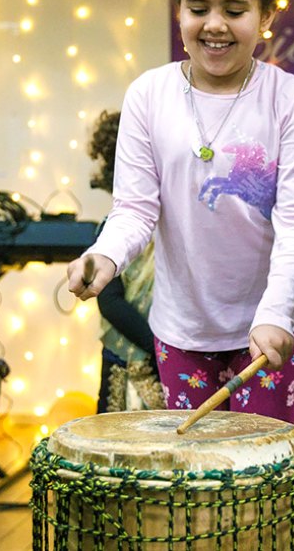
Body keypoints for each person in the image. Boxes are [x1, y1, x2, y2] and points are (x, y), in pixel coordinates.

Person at [67, 0, 294, 423]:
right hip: (182, 331)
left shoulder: (289, 98)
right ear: (178, 9)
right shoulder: (148, 94)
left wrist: (274, 315)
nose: (214, 24)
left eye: (235, 9)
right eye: (198, 7)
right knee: (200, 485)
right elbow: (136, 210)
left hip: (275, 325)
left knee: (260, 478)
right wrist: (104, 255)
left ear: (266, 15)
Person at [87, 109, 164, 414]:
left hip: (175, 361)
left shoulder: (187, 229)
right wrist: (159, 347)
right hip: (126, 365)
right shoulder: (113, 232)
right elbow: (110, 302)